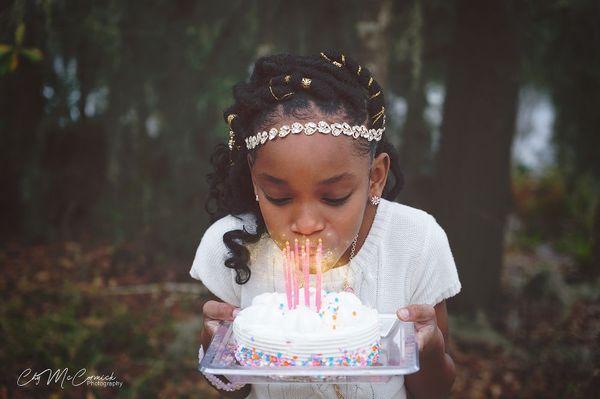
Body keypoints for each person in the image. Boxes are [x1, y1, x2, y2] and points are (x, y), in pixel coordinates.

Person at [190, 51, 461, 399]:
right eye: (279, 197)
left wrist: (428, 349)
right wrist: (217, 348)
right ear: (256, 183)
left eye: (334, 198)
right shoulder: (232, 246)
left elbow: (435, 392)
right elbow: (234, 391)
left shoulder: (416, 243)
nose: (306, 224)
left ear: (375, 178)